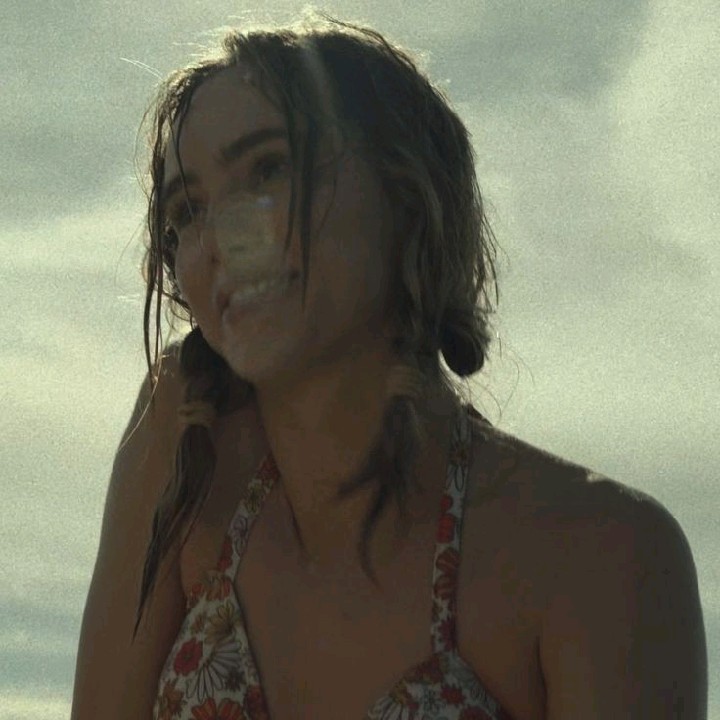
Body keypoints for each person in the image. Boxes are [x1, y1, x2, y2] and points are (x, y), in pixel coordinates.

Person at [71, 9, 708, 720]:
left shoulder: (598, 555)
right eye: (187, 210)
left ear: (408, 195)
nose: (220, 237)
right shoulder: (187, 446)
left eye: (269, 168)